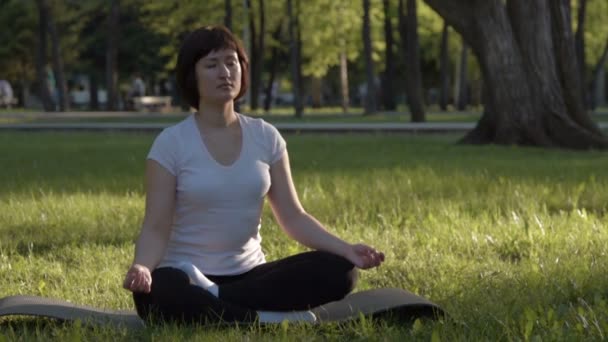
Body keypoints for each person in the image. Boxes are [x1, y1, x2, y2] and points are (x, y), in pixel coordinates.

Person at [122, 25, 385, 325]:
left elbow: (294, 216)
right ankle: (265, 318)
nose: (225, 72)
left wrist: (346, 249)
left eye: (231, 62)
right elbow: (156, 227)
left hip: (250, 276)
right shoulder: (171, 143)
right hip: (184, 275)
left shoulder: (265, 136)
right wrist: (142, 266)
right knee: (159, 293)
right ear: (191, 76)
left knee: (341, 271)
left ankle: (217, 299)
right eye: (212, 64)